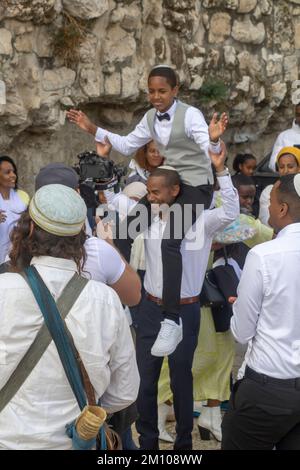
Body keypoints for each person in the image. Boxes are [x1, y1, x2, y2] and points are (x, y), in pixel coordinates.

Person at [67, 64, 228, 357]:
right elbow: (128, 145)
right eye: (151, 91)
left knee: (170, 243)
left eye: (162, 91)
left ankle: (171, 319)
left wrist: (214, 138)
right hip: (171, 180)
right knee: (127, 231)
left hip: (195, 188)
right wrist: (92, 128)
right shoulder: (151, 117)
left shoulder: (190, 115)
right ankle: (124, 294)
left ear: (175, 90)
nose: (156, 96)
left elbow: (209, 147)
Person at [105, 146, 239, 449]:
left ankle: (183, 445)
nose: (150, 197)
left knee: (181, 381)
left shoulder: (202, 220)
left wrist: (222, 170)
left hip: (185, 312)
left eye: (155, 192)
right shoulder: (149, 216)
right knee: (146, 382)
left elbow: (232, 211)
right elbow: (118, 207)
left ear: (175, 190)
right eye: (148, 192)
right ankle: (148, 443)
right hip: (150, 308)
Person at [0, 184, 139, 450]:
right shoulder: (106, 300)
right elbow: (125, 391)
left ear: (28, 230)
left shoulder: (2, 289)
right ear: (80, 238)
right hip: (75, 442)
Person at [222, 173, 300, 450]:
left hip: (268, 388)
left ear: (283, 209)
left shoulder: (264, 255)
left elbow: (242, 332)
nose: (266, 206)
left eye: (271, 201)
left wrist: (239, 307)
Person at [34, 162, 141, 307]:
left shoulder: (16, 252)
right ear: (77, 193)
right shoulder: (97, 252)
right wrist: (109, 243)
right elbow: (133, 297)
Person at [259, 146, 300, 226]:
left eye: (290, 167)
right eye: (281, 167)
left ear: (299, 168)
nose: (285, 171)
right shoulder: (269, 191)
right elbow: (266, 221)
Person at [0, 155, 29, 264]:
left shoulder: (23, 196)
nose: (13, 175)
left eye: (13, 171)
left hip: (19, 255)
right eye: (7, 172)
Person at [269, 103, 300, 171]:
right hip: (290, 179)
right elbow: (272, 163)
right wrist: (287, 166)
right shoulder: (284, 136)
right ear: (295, 115)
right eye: (298, 115)